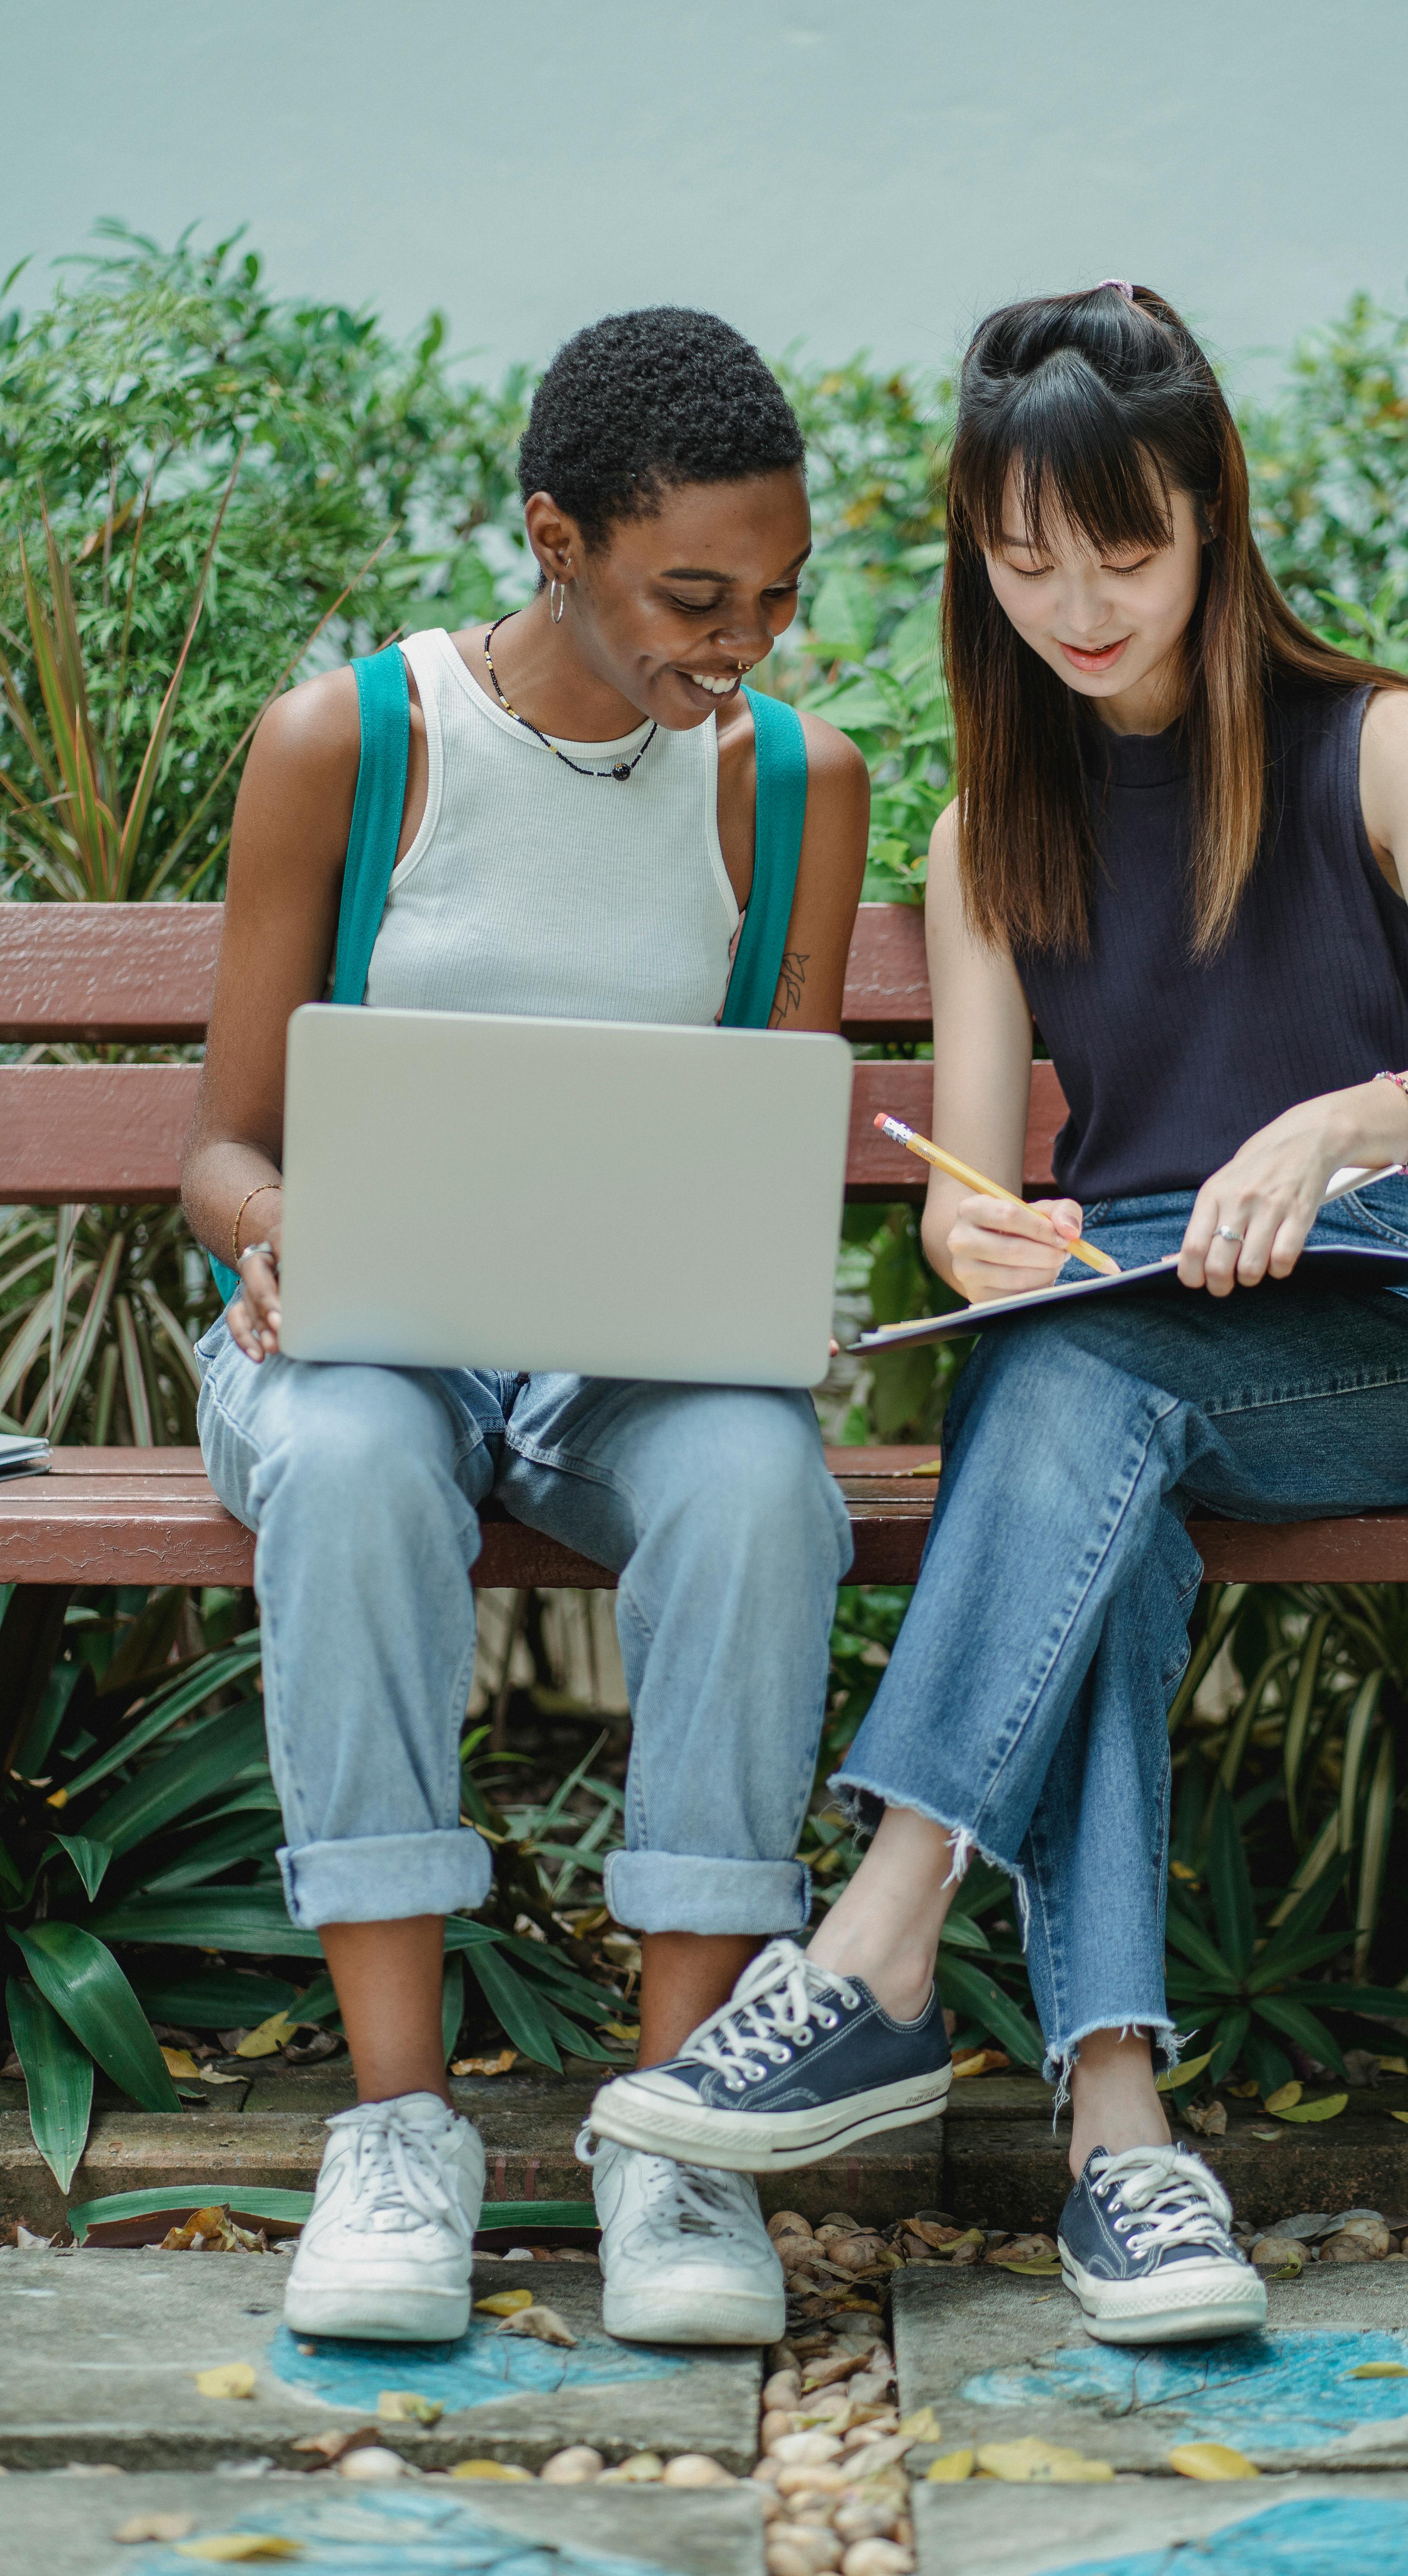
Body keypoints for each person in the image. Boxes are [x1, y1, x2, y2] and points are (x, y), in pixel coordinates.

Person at [586, 282, 1408, 2343]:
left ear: (1212, 515)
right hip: (1115, 1335)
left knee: (1076, 1389)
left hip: (1354, 1335)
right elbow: (971, 1194)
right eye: (1024, 563)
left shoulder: (1369, 743)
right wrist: (985, 1243)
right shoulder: (986, 834)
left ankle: (876, 1948)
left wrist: (1340, 1128)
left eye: (1122, 550)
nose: (1078, 605)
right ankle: (1126, 2152)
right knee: (1072, 1394)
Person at [180, 306, 869, 2348]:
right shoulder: (354, 743)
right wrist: (287, 1227)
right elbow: (218, 1148)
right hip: (361, 1340)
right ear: (554, 535)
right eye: (691, 594)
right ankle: (400, 2127)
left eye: (775, 596)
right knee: (366, 1452)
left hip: (622, 1363)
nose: (738, 640)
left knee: (759, 1483)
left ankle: (670, 2137)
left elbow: (764, 1134)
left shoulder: (788, 783)